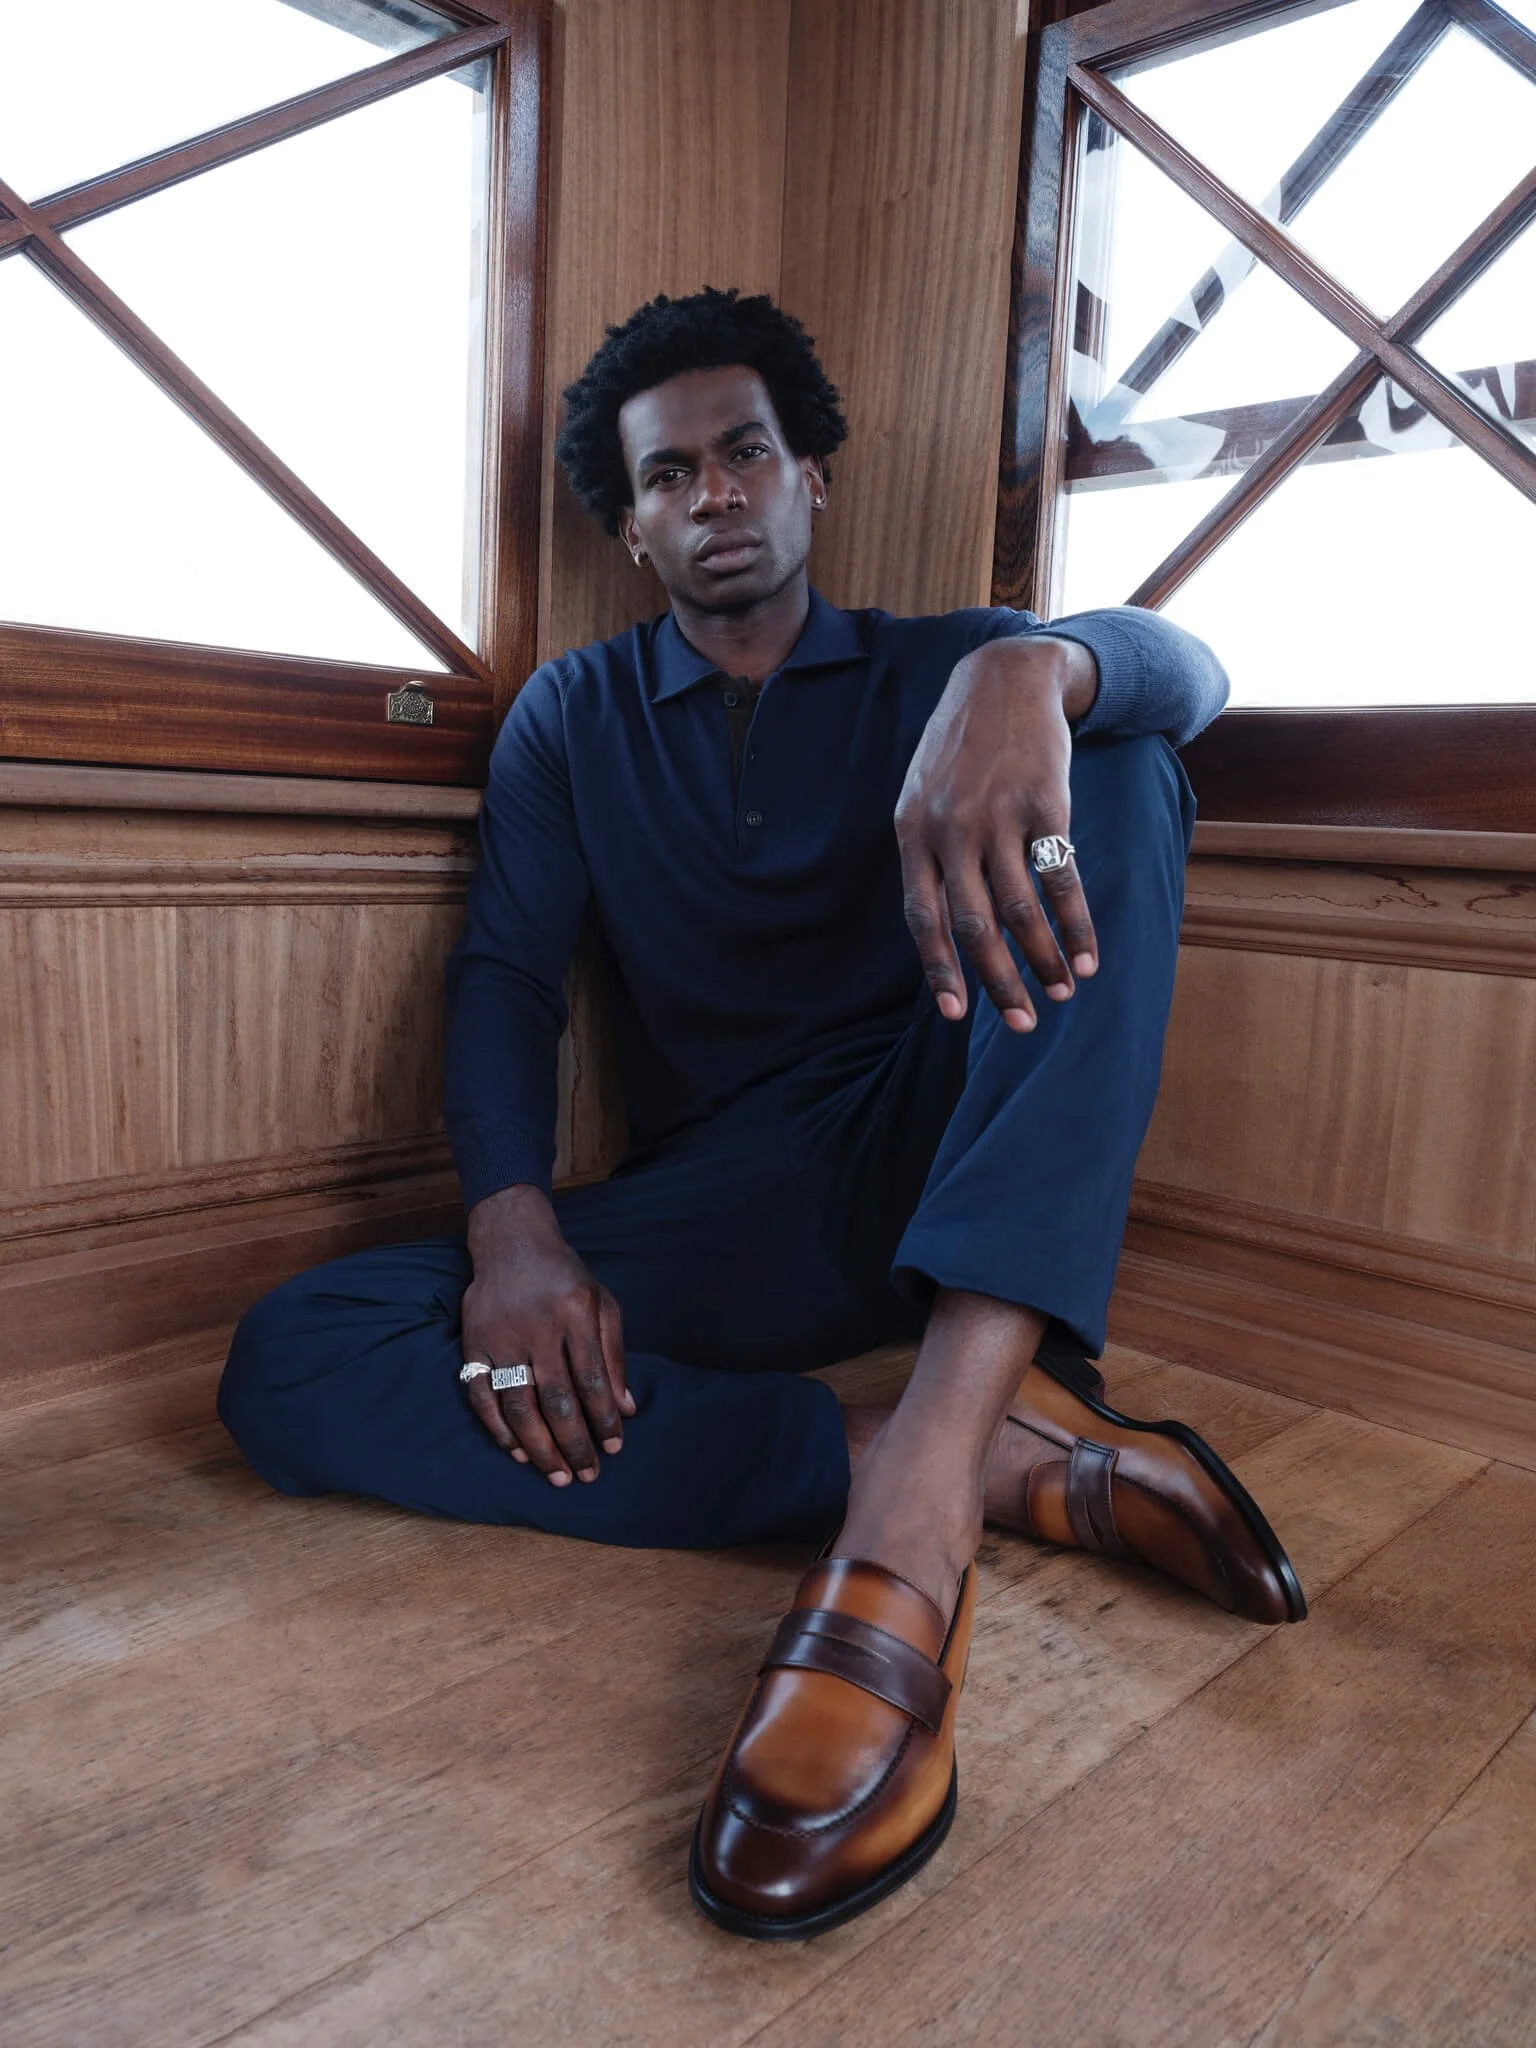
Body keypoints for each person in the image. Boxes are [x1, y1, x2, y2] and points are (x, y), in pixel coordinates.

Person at [219, 287, 1303, 1942]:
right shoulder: (571, 717)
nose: (714, 492)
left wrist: (1039, 663)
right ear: (634, 527)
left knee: (1128, 760)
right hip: (726, 1208)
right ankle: (979, 1458)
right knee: (294, 1358)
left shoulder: (948, 665)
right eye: (670, 475)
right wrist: (516, 1232)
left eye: (746, 453)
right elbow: (506, 978)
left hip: (944, 1145)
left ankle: (916, 1505)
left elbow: (1196, 668)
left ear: (813, 479)